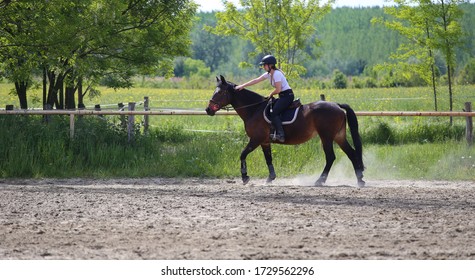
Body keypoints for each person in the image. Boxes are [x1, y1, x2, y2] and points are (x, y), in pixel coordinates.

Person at [235, 55, 294, 142]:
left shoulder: (277, 74)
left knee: (274, 113)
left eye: (264, 65)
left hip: (287, 96)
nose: (263, 67)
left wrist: (270, 94)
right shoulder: (269, 74)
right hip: (282, 96)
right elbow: (256, 80)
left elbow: (278, 89)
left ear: (270, 65)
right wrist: (243, 86)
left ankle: (281, 135)